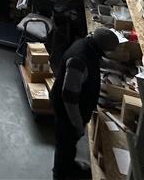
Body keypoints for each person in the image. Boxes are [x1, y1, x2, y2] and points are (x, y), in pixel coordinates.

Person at [50, 27, 119, 180]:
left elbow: (97, 61)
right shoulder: (79, 61)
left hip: (75, 106)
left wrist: (119, 68)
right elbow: (69, 97)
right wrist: (78, 124)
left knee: (70, 144)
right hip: (67, 110)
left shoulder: (87, 45)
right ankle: (60, 174)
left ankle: (69, 166)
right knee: (65, 143)